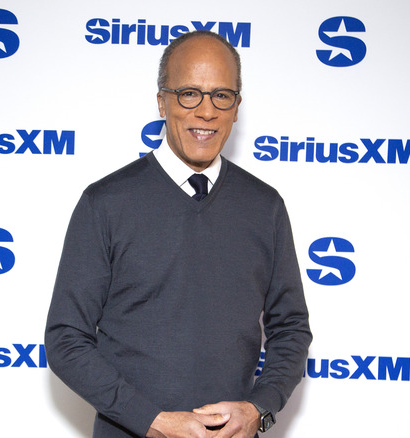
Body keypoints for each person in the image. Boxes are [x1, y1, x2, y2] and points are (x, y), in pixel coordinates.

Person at [45, 30, 312, 438]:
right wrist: (152, 421)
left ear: (237, 107)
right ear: (161, 101)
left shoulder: (265, 207)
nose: (206, 111)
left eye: (222, 95)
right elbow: (66, 339)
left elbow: (291, 328)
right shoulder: (106, 203)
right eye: (189, 93)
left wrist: (260, 407)